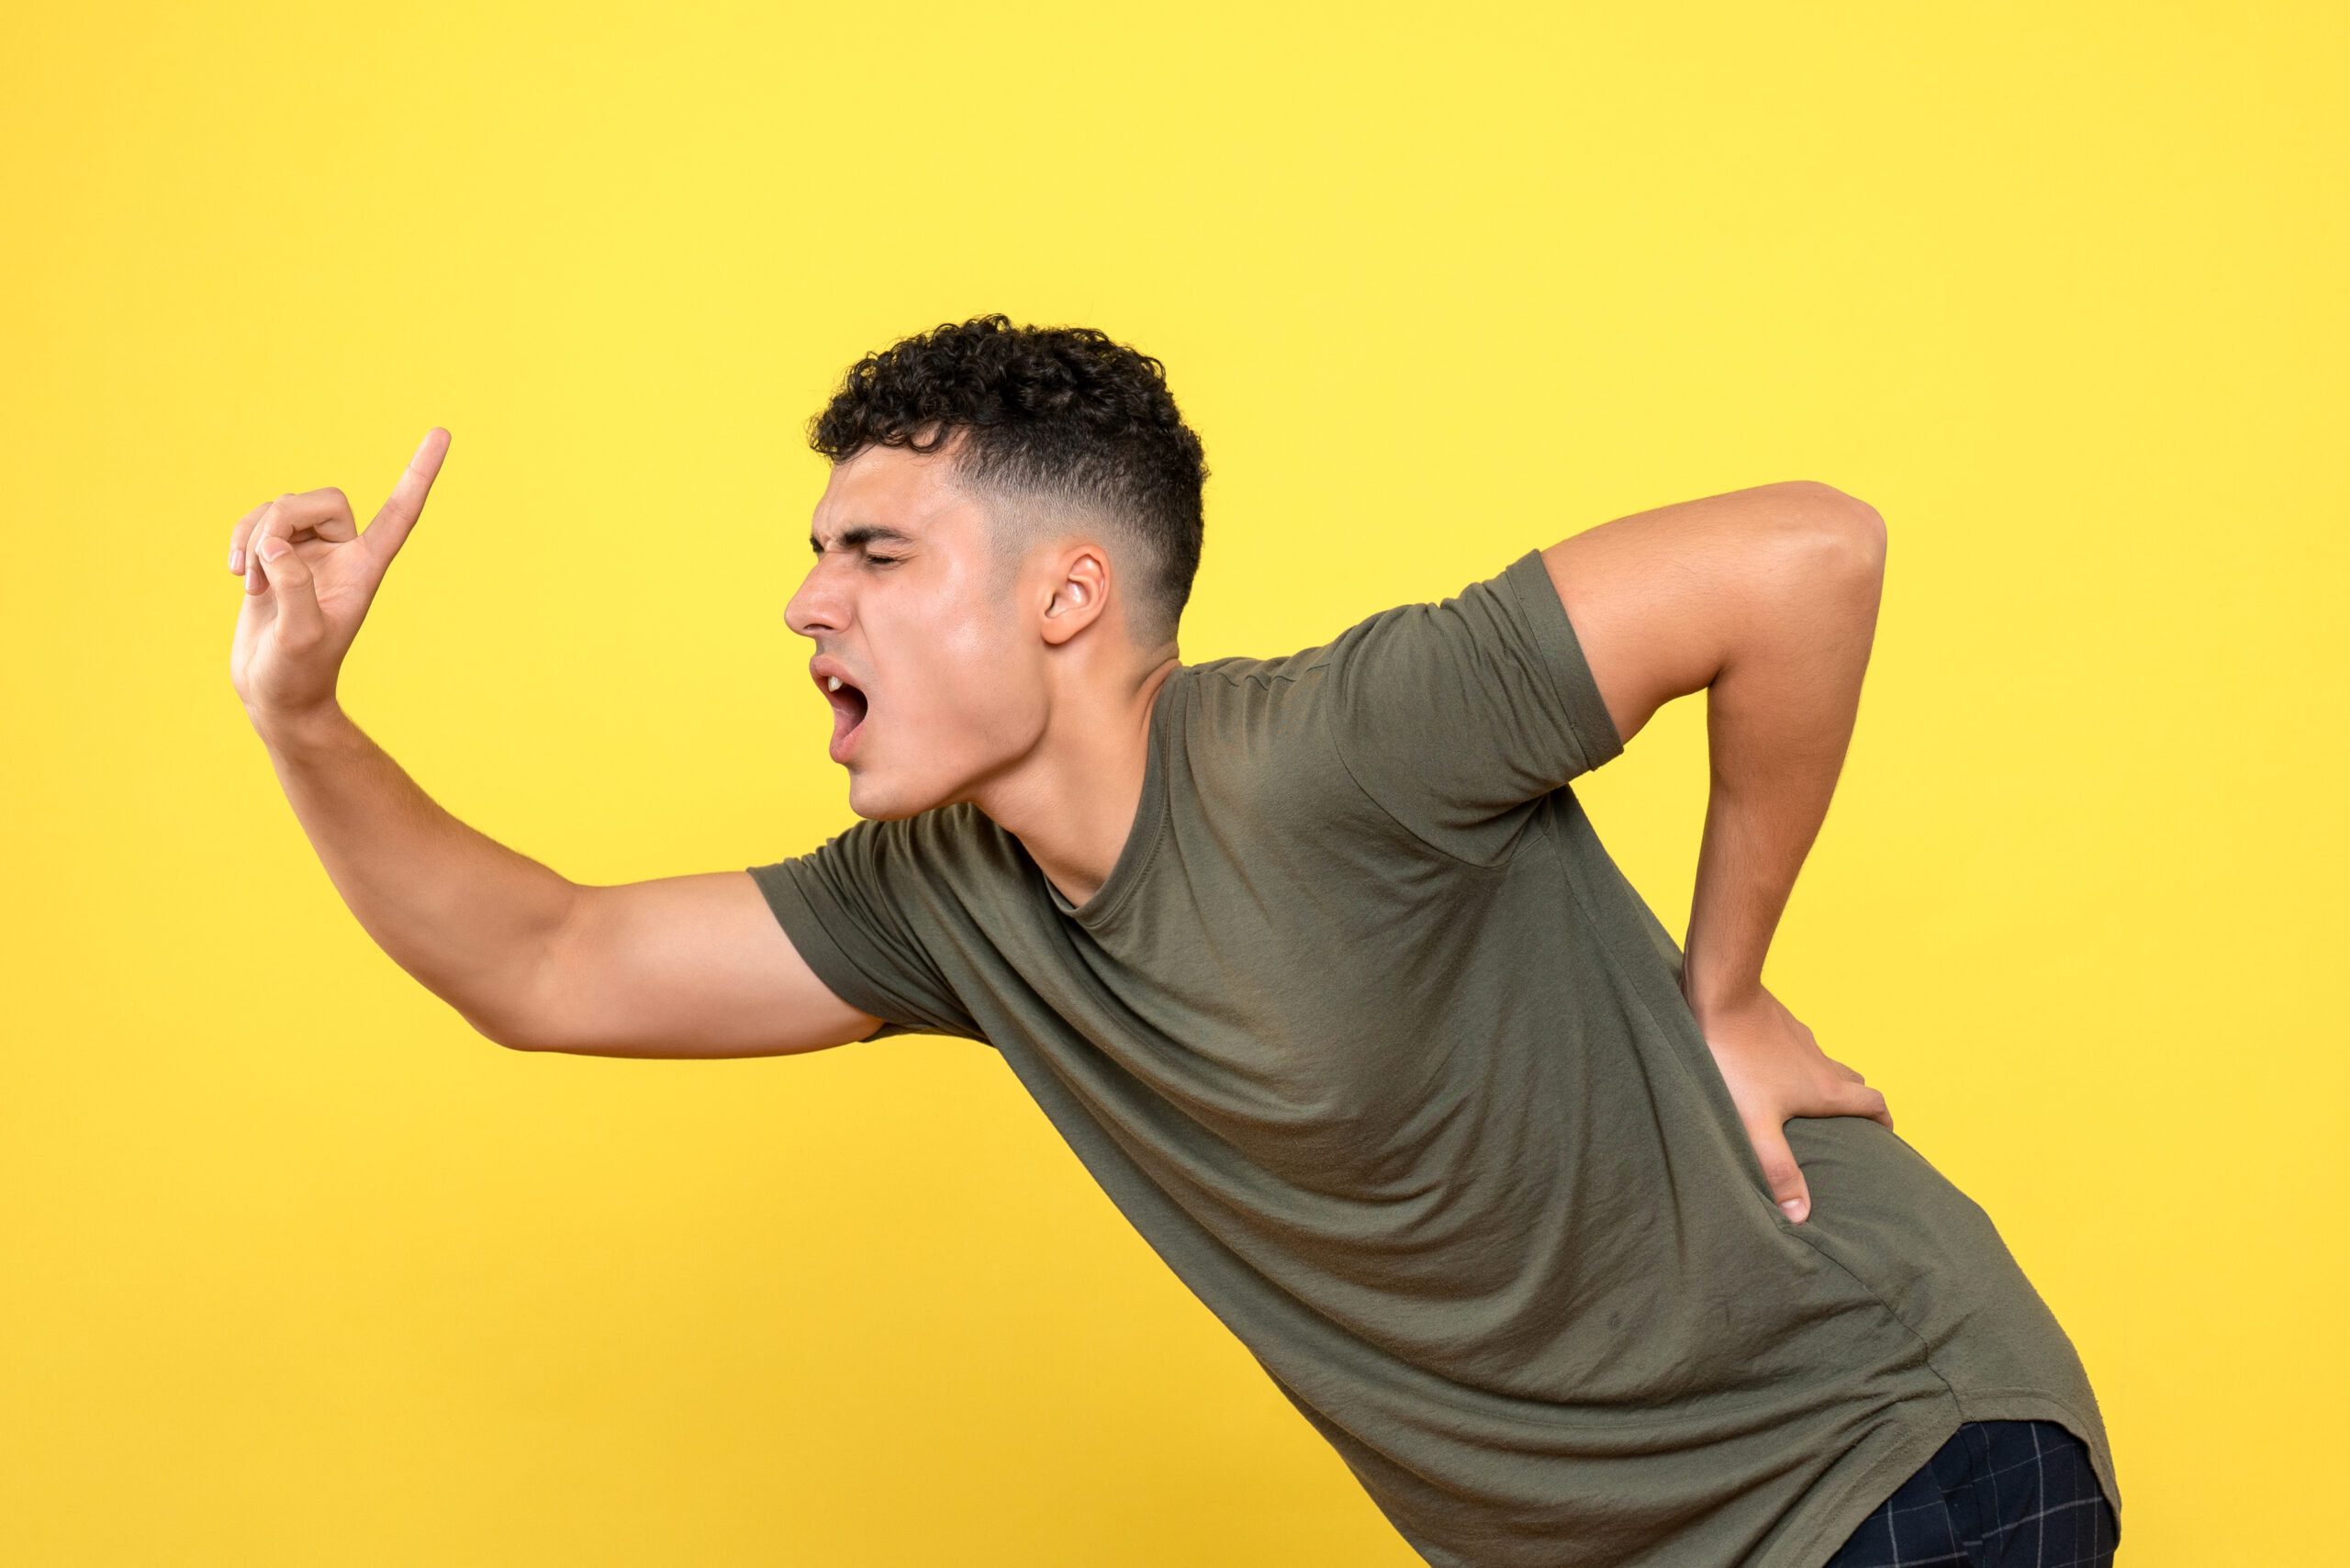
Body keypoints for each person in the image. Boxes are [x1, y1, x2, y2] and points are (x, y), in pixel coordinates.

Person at [224, 317, 2118, 1568]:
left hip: (1887, 1452)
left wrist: (1728, 985)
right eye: (816, 554)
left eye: (873, 553)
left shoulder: (1330, 751)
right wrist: (301, 717)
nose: (805, 602)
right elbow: (545, 962)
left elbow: (1804, 556)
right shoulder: (944, 900)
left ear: (1066, 595)